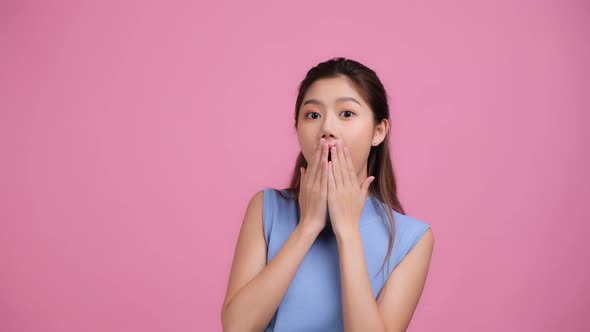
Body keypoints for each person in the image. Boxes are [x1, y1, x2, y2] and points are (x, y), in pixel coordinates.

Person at [221, 57, 434, 332]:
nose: (327, 130)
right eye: (313, 115)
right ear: (297, 128)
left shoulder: (411, 239)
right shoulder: (266, 208)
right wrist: (308, 226)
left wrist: (348, 232)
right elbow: (236, 327)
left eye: (347, 113)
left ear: (378, 131)